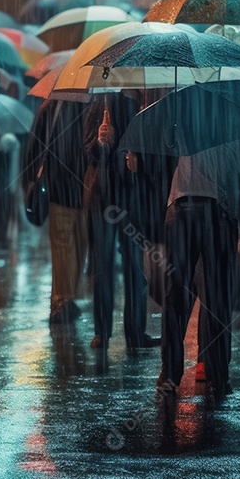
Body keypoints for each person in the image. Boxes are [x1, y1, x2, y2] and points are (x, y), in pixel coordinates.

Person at [159, 147, 240, 401]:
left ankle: (171, 374)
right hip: (216, 211)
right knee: (216, 297)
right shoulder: (231, 126)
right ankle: (217, 374)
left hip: (186, 207)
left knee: (178, 295)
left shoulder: (180, 123)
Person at [83, 93, 156, 353]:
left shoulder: (143, 101)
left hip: (131, 196)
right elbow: (88, 150)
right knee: (103, 267)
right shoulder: (99, 102)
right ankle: (102, 331)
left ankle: (135, 331)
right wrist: (102, 142)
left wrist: (137, 156)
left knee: (134, 266)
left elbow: (152, 148)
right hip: (102, 197)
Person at [22, 99, 88, 324]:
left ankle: (62, 300)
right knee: (74, 247)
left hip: (62, 190)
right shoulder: (94, 105)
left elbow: (33, 149)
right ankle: (62, 301)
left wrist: (31, 178)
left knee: (66, 248)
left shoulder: (51, 107)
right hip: (77, 191)